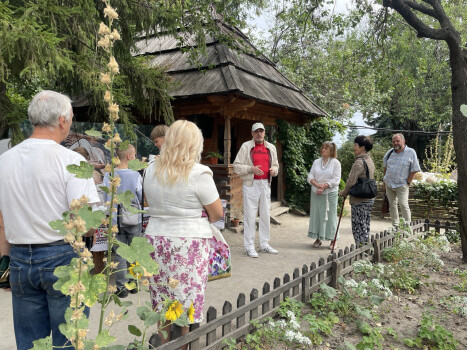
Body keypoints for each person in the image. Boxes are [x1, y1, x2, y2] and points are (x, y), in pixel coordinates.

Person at [0, 90, 99, 350]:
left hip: (20, 258)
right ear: (63, 120)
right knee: (69, 341)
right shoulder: (73, 161)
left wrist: (5, 264)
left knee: (32, 345)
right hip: (63, 254)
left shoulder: (4, 161)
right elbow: (86, 223)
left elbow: (2, 217)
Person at [143, 120, 223, 347]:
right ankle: (185, 345)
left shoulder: (151, 169)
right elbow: (216, 213)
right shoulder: (199, 173)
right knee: (186, 301)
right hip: (189, 243)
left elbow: (149, 202)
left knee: (162, 299)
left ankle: (164, 342)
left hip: (156, 239)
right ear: (194, 143)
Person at [233, 122, 280, 258]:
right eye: (256, 131)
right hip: (250, 184)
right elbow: (237, 166)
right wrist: (250, 169)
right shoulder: (246, 146)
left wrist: (274, 171)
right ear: (252, 133)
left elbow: (276, 165)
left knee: (265, 214)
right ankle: (249, 247)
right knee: (250, 215)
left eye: (261, 131)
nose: (259, 133)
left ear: (264, 132)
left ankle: (264, 244)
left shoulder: (271, 147)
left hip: (266, 183)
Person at [102, 144, 143, 298]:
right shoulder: (136, 175)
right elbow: (139, 196)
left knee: (119, 252)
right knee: (134, 250)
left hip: (114, 219)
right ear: (129, 156)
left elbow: (106, 198)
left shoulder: (109, 175)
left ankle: (121, 287)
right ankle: (134, 283)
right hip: (133, 217)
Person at [339, 136, 376, 246]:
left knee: (358, 226)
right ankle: (366, 248)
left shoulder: (359, 162)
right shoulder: (369, 160)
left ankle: (361, 250)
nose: (353, 147)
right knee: (365, 224)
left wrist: (344, 192)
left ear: (362, 147)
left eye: (355, 145)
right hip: (369, 197)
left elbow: (351, 181)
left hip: (359, 199)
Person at [307, 141, 341, 249]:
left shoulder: (336, 163)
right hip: (316, 193)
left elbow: (336, 180)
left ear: (331, 151)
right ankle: (318, 238)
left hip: (330, 194)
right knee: (317, 216)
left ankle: (333, 240)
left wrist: (324, 186)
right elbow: (310, 176)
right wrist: (318, 186)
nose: (323, 150)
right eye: (322, 148)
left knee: (330, 217)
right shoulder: (316, 162)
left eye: (326, 148)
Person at [383, 133, 420, 226]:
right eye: (393, 141)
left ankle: (407, 227)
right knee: (392, 205)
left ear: (403, 141)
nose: (395, 143)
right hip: (389, 184)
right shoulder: (390, 152)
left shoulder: (411, 152)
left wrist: (408, 182)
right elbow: (385, 167)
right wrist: (384, 181)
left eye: (397, 141)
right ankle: (395, 226)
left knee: (403, 205)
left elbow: (415, 169)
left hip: (401, 185)